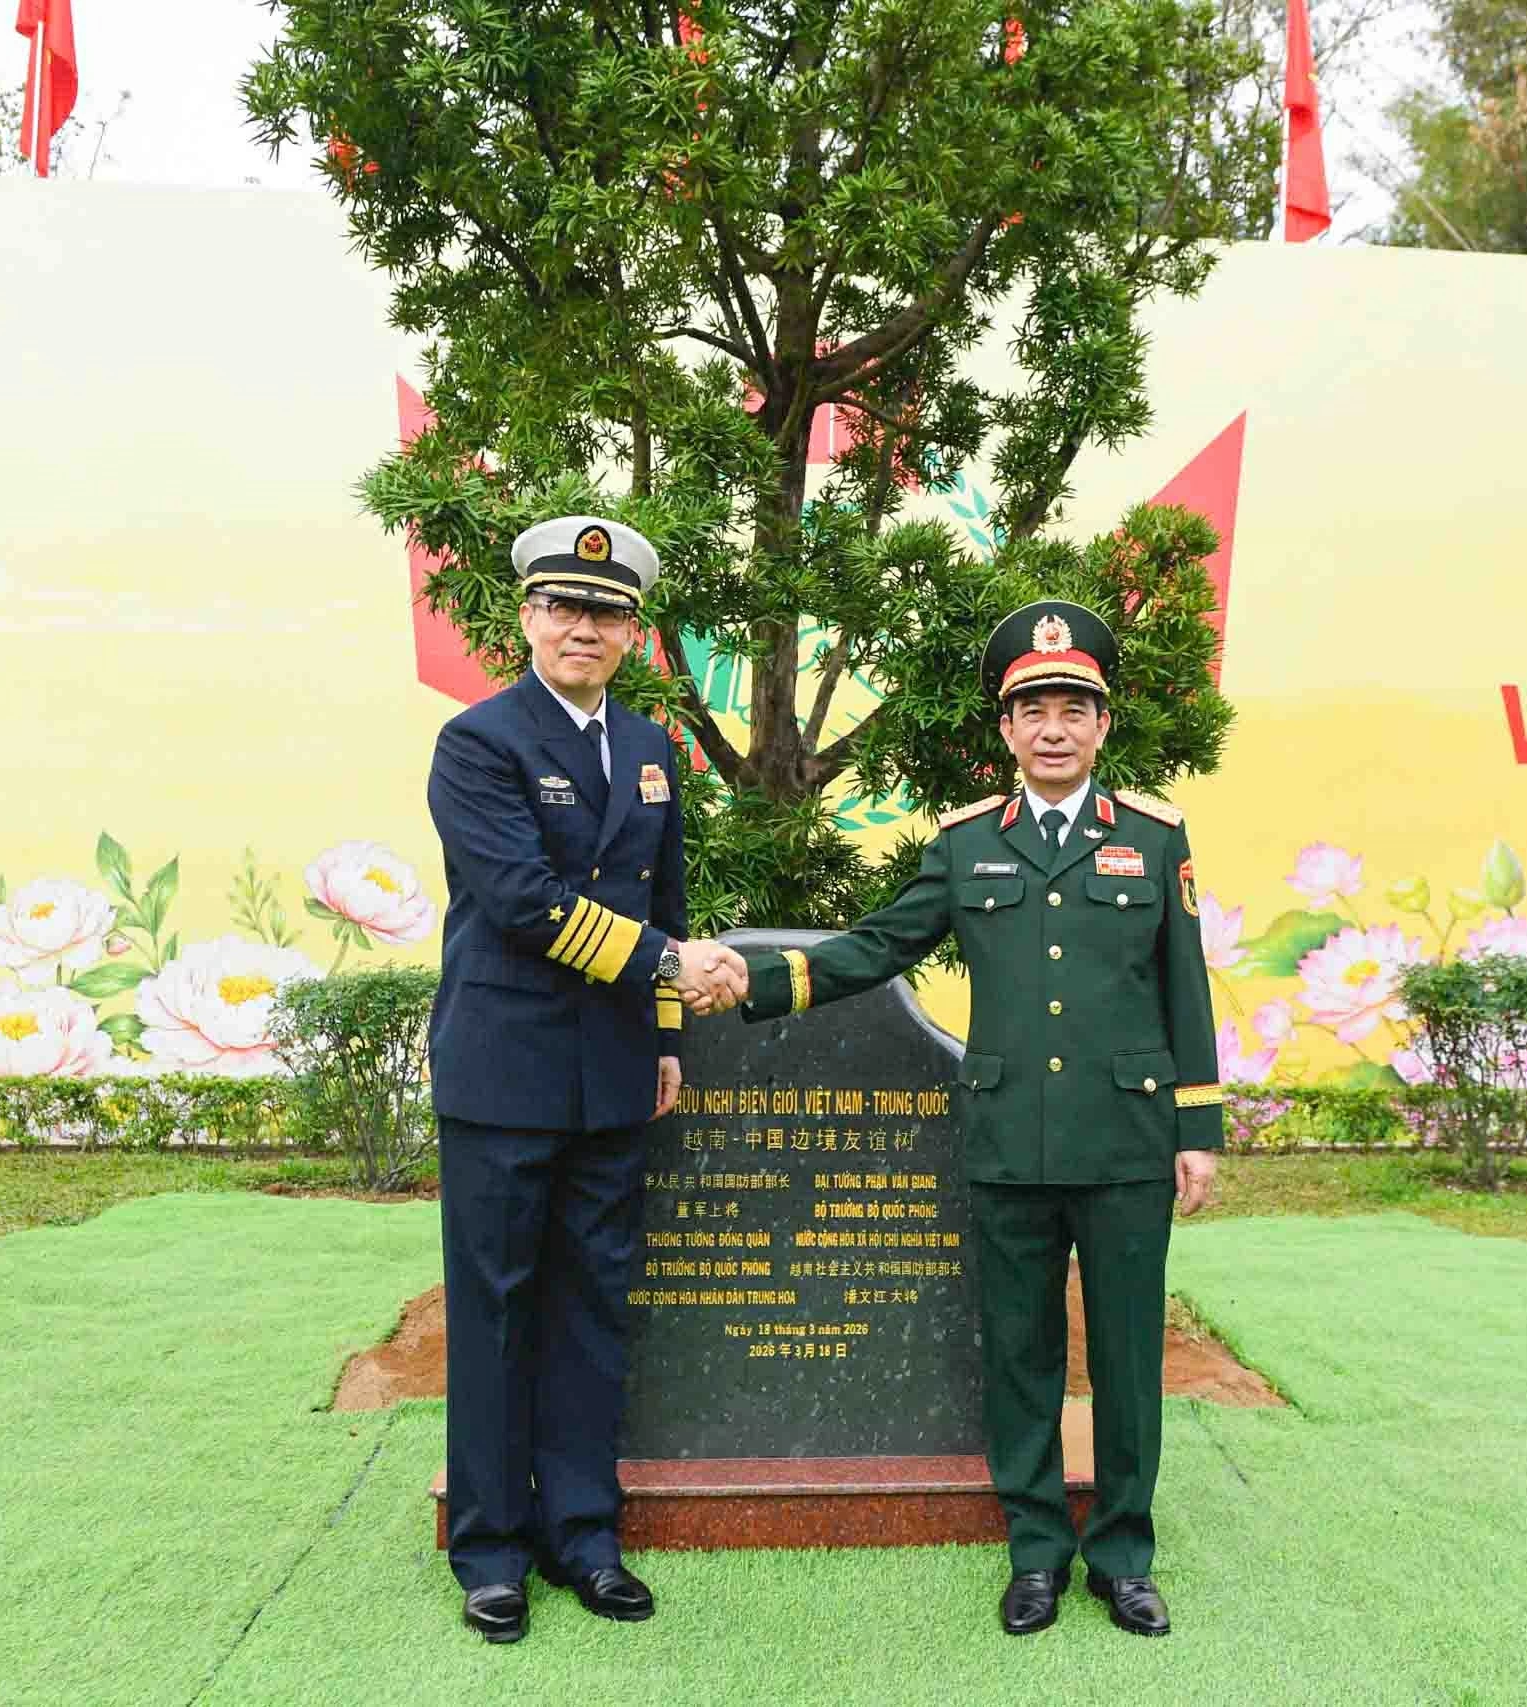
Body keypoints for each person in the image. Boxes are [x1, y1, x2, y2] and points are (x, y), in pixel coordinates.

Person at [736, 599, 1222, 1639]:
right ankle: (1037, 1551)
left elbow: (1186, 988)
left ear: (1103, 725)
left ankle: (1124, 1555)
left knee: (1129, 1358)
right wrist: (754, 982)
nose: (1053, 728)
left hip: (1128, 1140)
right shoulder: (965, 848)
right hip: (1009, 1137)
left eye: (1073, 709)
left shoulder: (1153, 838)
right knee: (1020, 1353)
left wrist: (1198, 1128)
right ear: (1005, 730)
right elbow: (875, 947)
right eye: (1033, 709)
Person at [424, 513, 747, 1644]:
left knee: (591, 1305)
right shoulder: (479, 743)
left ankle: (583, 1535)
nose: (582, 627)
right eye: (562, 606)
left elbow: (661, 895)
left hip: (611, 1075)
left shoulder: (652, 748)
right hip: (503, 1073)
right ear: (525, 616)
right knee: (498, 1310)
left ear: (630, 632)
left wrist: (662, 1038)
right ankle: (492, 1549)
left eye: (605, 613)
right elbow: (520, 904)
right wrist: (669, 963)